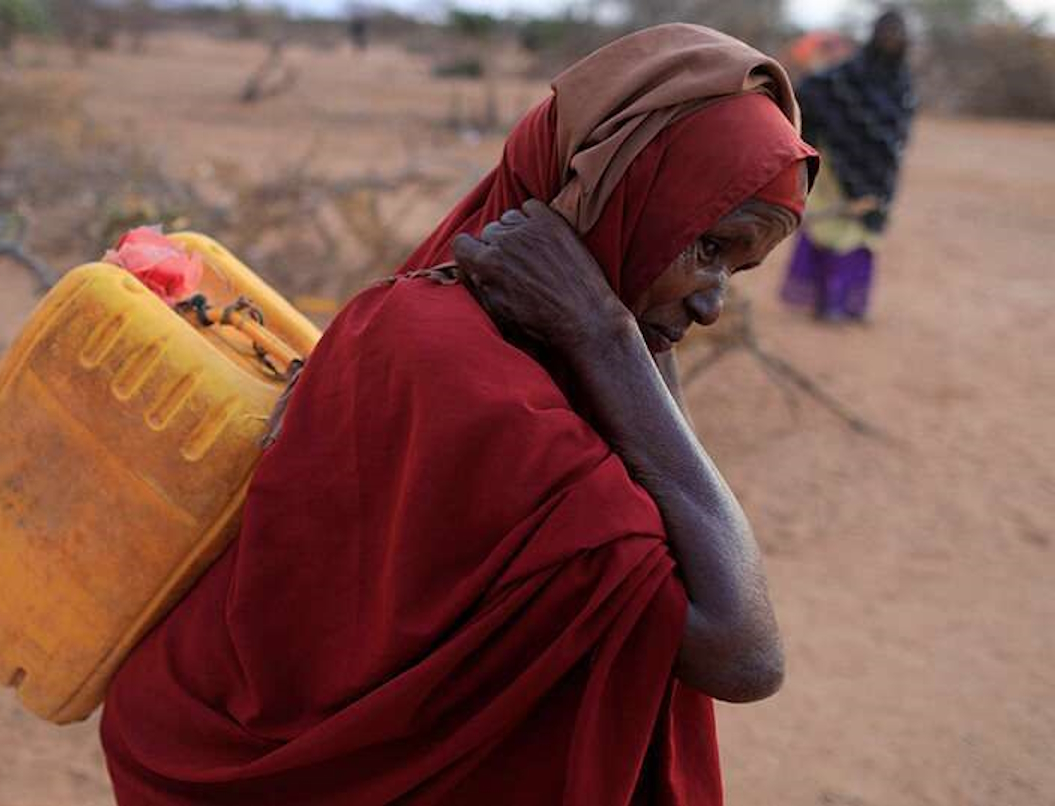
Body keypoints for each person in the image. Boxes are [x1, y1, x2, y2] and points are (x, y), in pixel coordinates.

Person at [101, 24, 816, 805]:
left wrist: (620, 327)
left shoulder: (436, 319)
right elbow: (743, 653)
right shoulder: (480, 387)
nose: (714, 304)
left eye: (739, 269)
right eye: (710, 247)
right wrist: (610, 337)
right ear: (620, 191)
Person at [781, 9, 916, 321]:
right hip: (840, 168)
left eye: (897, 36)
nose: (891, 41)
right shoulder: (849, 75)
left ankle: (851, 304)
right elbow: (815, 91)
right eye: (886, 34)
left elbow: (899, 130)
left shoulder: (903, 82)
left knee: (863, 238)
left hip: (880, 175)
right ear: (874, 35)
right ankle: (826, 302)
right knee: (834, 232)